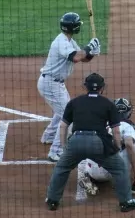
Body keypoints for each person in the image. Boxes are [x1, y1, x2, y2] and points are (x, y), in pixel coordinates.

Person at [45, 73, 135, 213]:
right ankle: (126, 202)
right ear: (102, 88)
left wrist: (65, 147)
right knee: (119, 169)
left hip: (76, 141)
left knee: (61, 168)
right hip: (98, 143)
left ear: (85, 87)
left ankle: (52, 201)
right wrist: (116, 148)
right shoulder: (108, 104)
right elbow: (116, 131)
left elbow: (63, 126)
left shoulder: (74, 102)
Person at [37, 12, 101, 162]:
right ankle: (55, 152)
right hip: (50, 84)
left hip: (55, 83)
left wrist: (92, 52)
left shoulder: (69, 41)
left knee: (63, 111)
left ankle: (49, 136)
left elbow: (83, 58)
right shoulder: (61, 42)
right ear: (74, 27)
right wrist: (89, 46)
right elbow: (76, 57)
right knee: (69, 116)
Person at [79, 97, 135, 196]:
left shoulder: (99, 121)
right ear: (127, 113)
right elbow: (129, 144)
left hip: (93, 171)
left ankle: (88, 177)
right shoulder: (126, 126)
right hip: (111, 172)